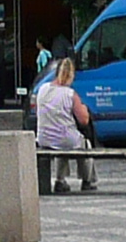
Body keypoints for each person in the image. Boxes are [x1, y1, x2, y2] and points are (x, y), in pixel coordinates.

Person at [34, 56, 95, 194]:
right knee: (84, 144)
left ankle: (60, 181)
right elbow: (84, 120)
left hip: (44, 138)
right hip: (65, 139)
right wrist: (84, 107)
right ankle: (87, 180)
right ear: (71, 75)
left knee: (60, 142)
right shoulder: (70, 94)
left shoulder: (42, 89)